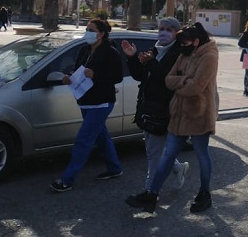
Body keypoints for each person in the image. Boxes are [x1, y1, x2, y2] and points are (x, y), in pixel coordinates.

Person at [126, 22, 219, 213]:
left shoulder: (209, 56)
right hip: (178, 112)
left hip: (199, 113)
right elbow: (168, 80)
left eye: (185, 42)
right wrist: (184, 81)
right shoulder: (185, 54)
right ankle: (151, 194)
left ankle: (204, 193)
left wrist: (181, 81)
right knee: (168, 155)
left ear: (196, 40)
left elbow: (196, 87)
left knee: (202, 154)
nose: (182, 45)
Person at [50, 19, 123, 192]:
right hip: (85, 100)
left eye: (91, 29)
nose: (87, 32)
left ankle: (67, 178)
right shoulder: (84, 50)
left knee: (84, 139)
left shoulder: (110, 52)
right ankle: (114, 168)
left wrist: (96, 75)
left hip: (102, 102)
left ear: (101, 33)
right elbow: (77, 70)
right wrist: (68, 77)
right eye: (87, 29)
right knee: (101, 136)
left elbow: (117, 77)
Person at [121, 17, 188, 192]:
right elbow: (140, 76)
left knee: (152, 153)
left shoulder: (179, 55)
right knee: (156, 149)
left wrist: (151, 62)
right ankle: (178, 168)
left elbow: (166, 80)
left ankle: (149, 192)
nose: (163, 32)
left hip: (164, 110)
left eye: (168, 29)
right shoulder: (155, 50)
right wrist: (132, 58)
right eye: (161, 29)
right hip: (147, 108)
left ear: (176, 33)